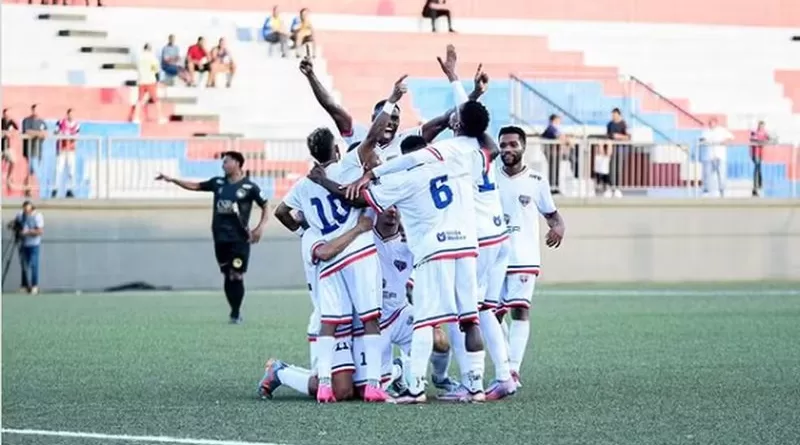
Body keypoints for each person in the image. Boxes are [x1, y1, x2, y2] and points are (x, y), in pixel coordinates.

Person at [272, 77, 409, 404]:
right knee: (371, 318)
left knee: (331, 324)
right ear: (336, 149)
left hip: (331, 265)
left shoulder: (305, 186)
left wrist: (302, 226)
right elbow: (374, 137)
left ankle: (323, 388)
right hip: (358, 254)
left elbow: (280, 211)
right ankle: (376, 383)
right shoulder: (348, 164)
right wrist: (391, 98)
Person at [259, 213, 374, 402]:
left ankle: (397, 368)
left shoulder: (344, 228)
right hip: (330, 322)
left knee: (363, 389)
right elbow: (325, 252)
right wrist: (359, 229)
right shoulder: (312, 235)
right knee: (341, 391)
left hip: (357, 318)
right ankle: (280, 372)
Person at [298, 44, 482, 160]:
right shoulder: (359, 134)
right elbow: (332, 107)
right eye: (388, 116)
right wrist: (311, 75)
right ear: (374, 119)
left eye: (396, 119)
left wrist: (473, 93)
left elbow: (445, 120)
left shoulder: (407, 138)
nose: (391, 122)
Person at [155, 151, 269, 323]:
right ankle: (233, 310)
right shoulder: (218, 183)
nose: (223, 165)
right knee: (227, 274)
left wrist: (260, 228)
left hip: (239, 240)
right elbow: (194, 186)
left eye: (226, 162)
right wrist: (172, 180)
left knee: (236, 274)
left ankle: (236, 312)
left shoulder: (249, 187)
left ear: (237, 163)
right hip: (220, 238)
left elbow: (266, 205)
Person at [494, 125, 565, 385]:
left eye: (513, 144)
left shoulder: (536, 180)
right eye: (503, 145)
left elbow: (552, 215)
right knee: (491, 314)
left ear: (523, 146)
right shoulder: (490, 176)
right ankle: (503, 364)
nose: (507, 149)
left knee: (519, 311)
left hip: (523, 256)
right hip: (493, 256)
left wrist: (559, 228)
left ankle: (512, 368)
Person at [9, 201, 44, 294]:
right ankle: (24, 285)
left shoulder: (38, 216)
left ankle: (34, 286)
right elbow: (15, 223)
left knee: (34, 265)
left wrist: (27, 232)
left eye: (28, 210)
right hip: (24, 243)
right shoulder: (20, 215)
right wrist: (13, 226)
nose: (26, 212)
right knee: (24, 265)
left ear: (32, 209)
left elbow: (40, 231)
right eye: (24, 210)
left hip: (34, 244)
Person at [130, 44, 166, 124]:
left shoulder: (139, 58)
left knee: (139, 100)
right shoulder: (153, 58)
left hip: (141, 81)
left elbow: (137, 68)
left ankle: (135, 118)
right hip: (150, 80)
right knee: (156, 99)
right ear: (150, 49)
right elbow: (156, 70)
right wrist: (158, 80)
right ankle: (160, 117)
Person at [699, 118, 734, 198]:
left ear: (716, 123)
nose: (711, 125)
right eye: (710, 123)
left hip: (720, 156)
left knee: (721, 174)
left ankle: (722, 190)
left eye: (712, 123)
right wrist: (703, 140)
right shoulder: (706, 131)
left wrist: (725, 141)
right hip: (709, 156)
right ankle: (706, 190)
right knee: (707, 174)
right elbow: (702, 139)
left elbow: (731, 137)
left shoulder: (722, 130)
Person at [21, 104, 48, 197]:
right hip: (29, 150)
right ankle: (33, 191)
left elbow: (45, 134)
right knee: (34, 170)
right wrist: (38, 134)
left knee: (31, 172)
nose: (36, 112)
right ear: (32, 110)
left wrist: (37, 134)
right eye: (34, 110)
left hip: (38, 150)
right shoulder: (27, 120)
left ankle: (27, 190)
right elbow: (27, 131)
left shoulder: (42, 122)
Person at [53, 108, 79, 198]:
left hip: (71, 150)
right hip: (61, 149)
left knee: (71, 171)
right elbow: (56, 132)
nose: (71, 116)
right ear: (67, 114)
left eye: (73, 114)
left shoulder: (76, 125)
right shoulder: (60, 122)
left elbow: (77, 136)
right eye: (70, 114)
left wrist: (70, 137)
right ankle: (55, 189)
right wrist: (61, 134)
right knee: (58, 169)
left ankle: (70, 189)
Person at [540, 114, 569, 194]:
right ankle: (553, 187)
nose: (560, 122)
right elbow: (559, 137)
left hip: (555, 153)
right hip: (552, 153)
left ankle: (555, 186)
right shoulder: (551, 128)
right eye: (558, 120)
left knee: (555, 169)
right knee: (553, 169)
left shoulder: (554, 128)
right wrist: (567, 141)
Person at [604, 108, 630, 197]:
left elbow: (628, 137)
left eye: (615, 115)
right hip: (611, 149)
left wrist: (618, 136)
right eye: (612, 115)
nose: (613, 116)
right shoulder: (609, 124)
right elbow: (607, 136)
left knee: (618, 168)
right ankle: (610, 187)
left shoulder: (624, 124)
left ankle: (617, 188)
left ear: (619, 115)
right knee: (611, 168)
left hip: (621, 149)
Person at [749, 121, 772, 197]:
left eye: (763, 126)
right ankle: (756, 185)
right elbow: (753, 139)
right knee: (756, 168)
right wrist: (762, 141)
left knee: (759, 168)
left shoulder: (764, 132)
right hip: (755, 153)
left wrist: (768, 139)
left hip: (760, 153)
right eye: (760, 126)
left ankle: (758, 185)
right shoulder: (754, 132)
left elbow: (769, 138)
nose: (761, 127)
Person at [2, 108, 19, 191]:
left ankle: (8, 178)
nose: (7, 116)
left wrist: (11, 133)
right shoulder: (1, 121)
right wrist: (3, 132)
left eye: (8, 114)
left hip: (7, 147)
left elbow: (17, 129)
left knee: (13, 161)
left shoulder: (11, 122)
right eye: (5, 114)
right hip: (1, 146)